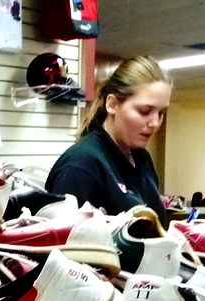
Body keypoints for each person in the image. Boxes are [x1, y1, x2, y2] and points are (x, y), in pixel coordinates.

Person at [46, 55, 172, 225]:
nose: (155, 123)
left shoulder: (142, 159)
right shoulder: (81, 165)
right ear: (112, 105)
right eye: (144, 111)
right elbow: (68, 245)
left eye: (161, 113)